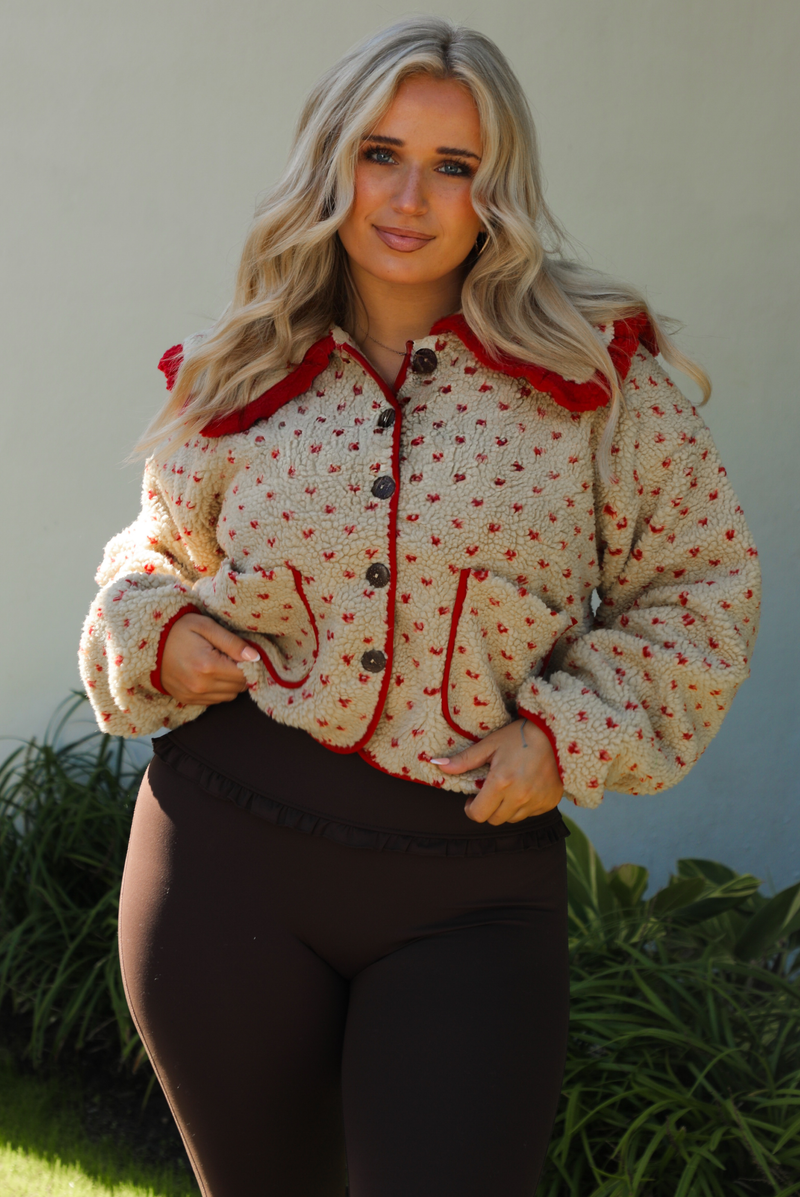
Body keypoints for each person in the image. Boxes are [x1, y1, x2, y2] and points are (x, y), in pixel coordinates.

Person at [79, 16, 760, 1197]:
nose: (409, 198)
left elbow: (700, 586)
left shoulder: (595, 380)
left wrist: (565, 733)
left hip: (467, 896)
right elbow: (154, 550)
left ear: (498, 193)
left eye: (453, 166)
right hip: (222, 864)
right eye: (380, 154)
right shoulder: (239, 366)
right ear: (330, 162)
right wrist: (162, 632)